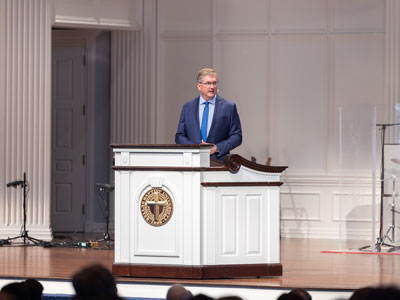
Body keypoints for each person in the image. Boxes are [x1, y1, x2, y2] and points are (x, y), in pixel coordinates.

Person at [175, 68, 242, 160]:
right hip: (192, 161)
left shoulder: (229, 107)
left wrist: (217, 148)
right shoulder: (188, 107)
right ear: (199, 86)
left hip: (219, 163)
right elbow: (179, 136)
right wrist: (194, 148)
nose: (212, 87)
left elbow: (237, 136)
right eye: (208, 83)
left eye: (214, 83)